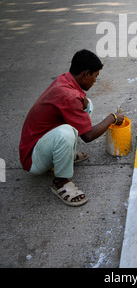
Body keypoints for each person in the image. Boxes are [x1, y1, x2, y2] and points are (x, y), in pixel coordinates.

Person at [19, 49, 124, 207]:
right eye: (95, 77)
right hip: (32, 158)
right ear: (86, 74)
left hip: (41, 141)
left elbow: (77, 104)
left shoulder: (65, 80)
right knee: (66, 133)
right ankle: (60, 182)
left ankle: (63, 155)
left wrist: (83, 100)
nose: (95, 81)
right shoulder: (68, 95)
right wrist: (112, 118)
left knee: (86, 106)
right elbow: (88, 136)